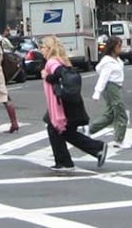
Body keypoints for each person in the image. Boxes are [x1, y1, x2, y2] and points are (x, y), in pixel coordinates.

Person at [41, 35, 109, 171]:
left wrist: (47, 76)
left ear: (49, 49)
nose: (41, 50)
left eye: (42, 47)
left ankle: (65, 162)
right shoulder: (61, 60)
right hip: (67, 103)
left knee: (55, 129)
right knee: (65, 132)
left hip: (62, 104)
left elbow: (61, 74)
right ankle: (96, 148)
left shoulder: (52, 63)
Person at [89, 36, 128, 147]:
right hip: (111, 88)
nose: (121, 48)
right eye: (119, 46)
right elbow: (103, 78)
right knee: (120, 113)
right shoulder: (108, 62)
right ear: (113, 47)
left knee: (111, 114)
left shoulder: (116, 60)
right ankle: (119, 140)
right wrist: (97, 93)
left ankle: (90, 129)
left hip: (115, 87)